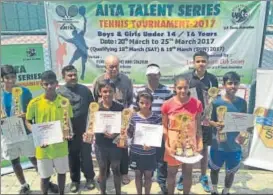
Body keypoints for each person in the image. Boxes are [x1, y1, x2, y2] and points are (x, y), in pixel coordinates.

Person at [177, 51, 218, 192]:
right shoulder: (187, 78)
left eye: (204, 61)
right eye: (198, 61)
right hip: (189, 120)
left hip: (205, 120)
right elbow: (182, 98)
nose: (201, 64)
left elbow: (214, 100)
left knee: (204, 148)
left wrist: (209, 117)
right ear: (193, 62)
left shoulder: (212, 79)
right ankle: (183, 175)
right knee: (185, 146)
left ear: (207, 63)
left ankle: (203, 175)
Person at [25, 71, 72, 195]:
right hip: (43, 147)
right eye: (46, 84)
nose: (49, 86)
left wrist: (69, 133)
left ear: (57, 83)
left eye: (52, 83)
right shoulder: (34, 103)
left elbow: (68, 122)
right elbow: (28, 121)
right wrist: (37, 134)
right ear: (41, 85)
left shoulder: (64, 102)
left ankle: (62, 193)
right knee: (45, 177)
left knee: (62, 173)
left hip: (60, 145)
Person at [93, 55, 133, 185]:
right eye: (111, 66)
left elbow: (130, 100)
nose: (114, 69)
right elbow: (94, 102)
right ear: (105, 67)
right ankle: (104, 172)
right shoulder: (98, 81)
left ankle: (124, 173)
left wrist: (128, 118)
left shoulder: (126, 80)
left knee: (122, 147)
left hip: (121, 120)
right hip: (103, 120)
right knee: (103, 147)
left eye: (116, 66)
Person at [133, 64, 172, 194]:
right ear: (147, 76)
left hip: (159, 130)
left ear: (159, 75)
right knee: (142, 168)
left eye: (155, 75)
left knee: (161, 160)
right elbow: (134, 109)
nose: (152, 78)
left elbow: (171, 111)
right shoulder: (138, 91)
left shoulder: (167, 91)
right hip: (141, 132)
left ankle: (162, 183)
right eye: (150, 75)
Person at [162, 75, 203, 194]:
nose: (183, 91)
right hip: (173, 144)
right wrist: (167, 145)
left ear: (189, 87)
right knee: (171, 172)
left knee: (187, 173)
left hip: (190, 143)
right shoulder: (167, 104)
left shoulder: (197, 104)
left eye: (185, 87)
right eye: (179, 88)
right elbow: (164, 126)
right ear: (174, 88)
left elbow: (198, 126)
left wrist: (200, 142)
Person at [57, 65, 96, 192]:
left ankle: (90, 178)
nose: (73, 77)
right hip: (69, 131)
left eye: (74, 74)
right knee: (72, 156)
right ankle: (75, 181)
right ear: (64, 77)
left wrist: (91, 128)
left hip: (84, 129)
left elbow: (93, 110)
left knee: (86, 155)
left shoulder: (85, 90)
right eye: (70, 75)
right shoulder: (60, 93)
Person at [0, 65, 38, 194]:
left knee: (33, 157)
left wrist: (25, 114)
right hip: (7, 133)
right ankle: (24, 185)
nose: (11, 80)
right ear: (2, 79)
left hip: (24, 131)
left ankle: (46, 181)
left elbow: (31, 110)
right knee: (14, 160)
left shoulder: (24, 91)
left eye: (13, 77)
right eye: (7, 78)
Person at [209, 71, 247, 195]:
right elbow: (208, 121)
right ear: (224, 85)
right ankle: (214, 190)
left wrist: (243, 134)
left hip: (234, 146)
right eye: (230, 83)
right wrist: (215, 124)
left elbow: (244, 123)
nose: (233, 86)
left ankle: (226, 191)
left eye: (236, 83)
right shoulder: (216, 102)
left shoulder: (242, 103)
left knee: (230, 172)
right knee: (214, 169)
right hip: (218, 144)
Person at [84, 79, 123, 194]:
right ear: (100, 93)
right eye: (105, 91)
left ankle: (118, 192)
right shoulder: (95, 108)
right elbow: (90, 126)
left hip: (115, 144)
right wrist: (88, 134)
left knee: (116, 170)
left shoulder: (120, 108)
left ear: (114, 92)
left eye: (110, 91)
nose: (107, 94)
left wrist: (115, 134)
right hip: (100, 144)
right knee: (102, 170)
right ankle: (103, 192)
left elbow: (123, 127)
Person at [128, 92, 161, 194]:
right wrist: (124, 131)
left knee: (148, 176)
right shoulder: (133, 117)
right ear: (137, 103)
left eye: (147, 103)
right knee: (137, 175)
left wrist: (152, 144)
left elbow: (158, 136)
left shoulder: (156, 118)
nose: (144, 105)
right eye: (141, 103)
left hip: (150, 153)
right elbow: (129, 134)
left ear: (151, 103)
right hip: (136, 152)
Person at [59, 7, 88, 80]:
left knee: (82, 64)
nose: (74, 32)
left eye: (74, 32)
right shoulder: (74, 38)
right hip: (80, 51)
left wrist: (84, 19)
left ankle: (82, 75)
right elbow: (66, 39)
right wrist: (61, 36)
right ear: (73, 34)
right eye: (74, 32)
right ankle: (66, 72)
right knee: (72, 62)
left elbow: (83, 27)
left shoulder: (80, 34)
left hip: (84, 51)